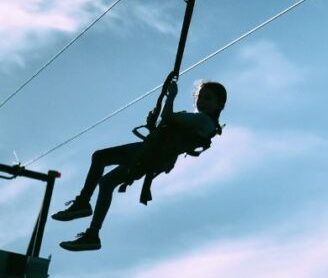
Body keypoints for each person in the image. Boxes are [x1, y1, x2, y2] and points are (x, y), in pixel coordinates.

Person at [52, 78, 227, 252]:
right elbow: (168, 128)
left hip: (149, 154)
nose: (201, 102)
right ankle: (93, 234)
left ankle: (83, 202)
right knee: (106, 183)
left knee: (100, 157)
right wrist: (155, 124)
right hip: (152, 157)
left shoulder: (203, 120)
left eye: (207, 98)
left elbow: (168, 116)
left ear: (219, 105)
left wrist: (171, 97)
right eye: (200, 97)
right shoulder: (199, 121)